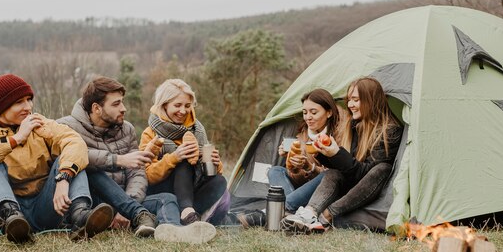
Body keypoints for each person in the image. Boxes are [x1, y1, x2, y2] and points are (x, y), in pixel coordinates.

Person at [0, 73, 113, 243]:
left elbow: (75, 142)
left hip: (43, 208)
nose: (28, 106)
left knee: (71, 161)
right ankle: (12, 216)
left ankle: (80, 216)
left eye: (29, 100)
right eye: (19, 102)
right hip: (2, 216)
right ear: (1, 108)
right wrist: (15, 140)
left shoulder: (40, 124)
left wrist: (64, 178)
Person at [58, 77, 216, 243]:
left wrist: (127, 204)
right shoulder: (67, 127)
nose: (123, 108)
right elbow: (68, 157)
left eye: (122, 102)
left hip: (127, 200)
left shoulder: (126, 129)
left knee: (168, 198)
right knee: (89, 167)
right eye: (116, 104)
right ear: (96, 108)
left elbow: (137, 172)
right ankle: (131, 215)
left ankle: (173, 230)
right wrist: (119, 160)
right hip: (94, 203)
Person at [281, 77, 403, 233]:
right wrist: (325, 154)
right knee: (332, 173)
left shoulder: (390, 131)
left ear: (371, 100)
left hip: (370, 188)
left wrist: (336, 153)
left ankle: (326, 216)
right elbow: (348, 169)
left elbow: (366, 174)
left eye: (355, 100)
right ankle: (310, 214)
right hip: (350, 185)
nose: (350, 105)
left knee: (383, 168)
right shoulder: (355, 126)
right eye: (349, 100)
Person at [236, 88, 344, 228]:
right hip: (304, 190)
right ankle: (291, 212)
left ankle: (266, 213)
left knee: (327, 174)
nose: (308, 117)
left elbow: (336, 175)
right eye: (305, 113)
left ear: (329, 112)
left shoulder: (340, 132)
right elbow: (298, 177)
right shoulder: (302, 136)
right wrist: (292, 161)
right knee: (274, 171)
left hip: (326, 189)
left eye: (314, 112)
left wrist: (310, 167)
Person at [140, 79, 227, 225]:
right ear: (164, 105)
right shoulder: (150, 133)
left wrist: (216, 164)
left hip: (190, 191)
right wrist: (173, 158)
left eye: (187, 106)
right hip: (164, 191)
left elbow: (212, 174)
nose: (183, 111)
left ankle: (189, 216)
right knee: (183, 162)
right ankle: (187, 213)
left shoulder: (197, 129)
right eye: (177, 105)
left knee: (219, 181)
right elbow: (146, 175)